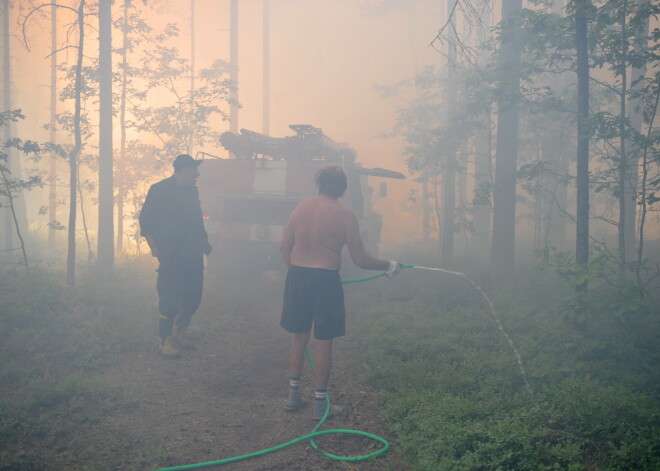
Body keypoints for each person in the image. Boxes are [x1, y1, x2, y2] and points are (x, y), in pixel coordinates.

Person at [279, 166, 401, 420]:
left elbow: (284, 247)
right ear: (343, 189)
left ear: (318, 184)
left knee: (299, 337)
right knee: (323, 341)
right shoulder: (345, 215)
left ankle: (293, 397)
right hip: (325, 279)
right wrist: (388, 265)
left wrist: (296, 273)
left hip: (298, 275)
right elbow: (360, 259)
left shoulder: (300, 208)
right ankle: (319, 406)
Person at [139, 154, 212, 359]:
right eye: (194, 169)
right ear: (182, 170)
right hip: (171, 254)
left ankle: (181, 333)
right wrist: (155, 249)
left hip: (193, 254)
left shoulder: (191, 191)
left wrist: (205, 245)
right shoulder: (159, 190)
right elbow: (145, 222)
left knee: (193, 296)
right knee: (169, 297)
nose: (197, 174)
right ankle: (164, 340)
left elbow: (197, 222)